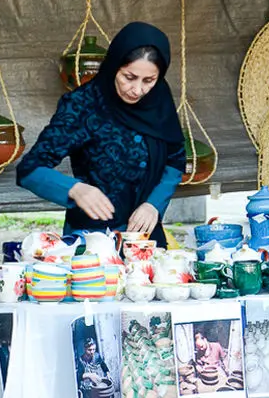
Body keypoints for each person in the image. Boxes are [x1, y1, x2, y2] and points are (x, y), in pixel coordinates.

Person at [16, 22, 186, 247]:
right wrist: (75, 189)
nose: (137, 89)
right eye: (129, 77)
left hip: (145, 242)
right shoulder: (82, 105)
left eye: (149, 81)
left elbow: (175, 159)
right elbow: (29, 170)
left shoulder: (159, 100)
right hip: (93, 244)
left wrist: (153, 204)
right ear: (114, 65)